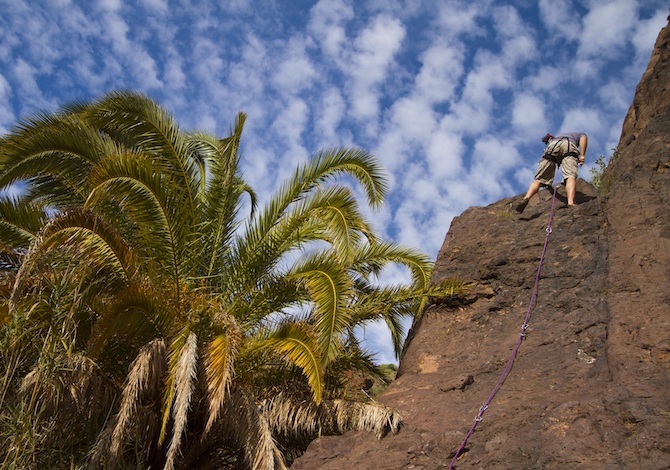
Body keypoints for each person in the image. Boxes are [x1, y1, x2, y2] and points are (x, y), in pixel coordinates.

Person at [515, 131, 588, 213]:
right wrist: (582, 155)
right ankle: (570, 202)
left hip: (552, 146)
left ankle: (527, 197)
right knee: (570, 176)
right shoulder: (577, 134)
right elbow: (583, 136)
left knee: (539, 179)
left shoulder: (555, 138)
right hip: (568, 144)